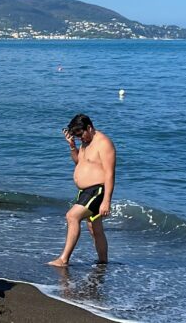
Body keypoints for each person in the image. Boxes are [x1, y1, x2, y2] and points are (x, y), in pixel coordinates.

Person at [48, 113, 117, 267]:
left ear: (89, 127)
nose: (80, 138)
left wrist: (106, 201)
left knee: (72, 216)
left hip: (97, 191)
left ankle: (63, 259)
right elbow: (79, 162)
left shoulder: (104, 143)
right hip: (85, 191)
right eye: (77, 136)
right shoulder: (85, 141)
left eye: (81, 135)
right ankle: (103, 262)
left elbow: (110, 174)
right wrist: (73, 147)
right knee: (94, 229)